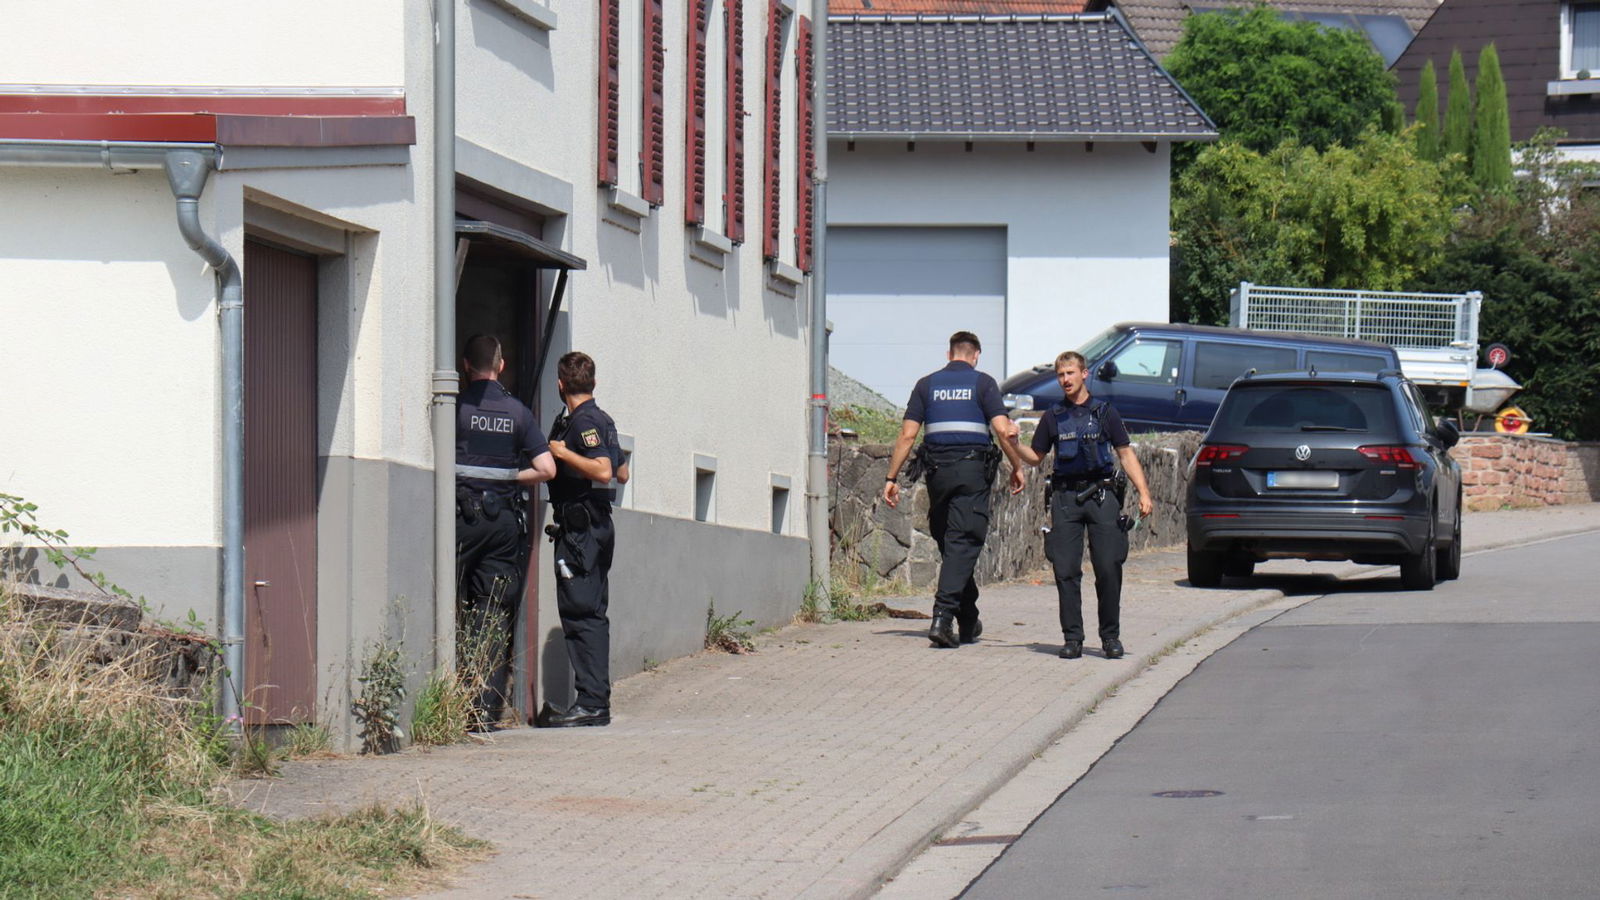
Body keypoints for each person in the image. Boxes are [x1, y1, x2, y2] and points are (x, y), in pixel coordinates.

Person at [883, 331, 1026, 648]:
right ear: (976, 355)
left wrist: (891, 478)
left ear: (950, 354)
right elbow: (1003, 430)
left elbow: (907, 437)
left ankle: (968, 618)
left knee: (952, 543)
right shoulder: (983, 383)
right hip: (972, 471)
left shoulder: (927, 384)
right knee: (963, 542)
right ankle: (943, 618)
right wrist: (1017, 466)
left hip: (937, 474)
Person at [1009, 350, 1153, 660]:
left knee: (1108, 567)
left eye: (1070, 373)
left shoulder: (1105, 413)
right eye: (1061, 375)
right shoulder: (1053, 416)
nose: (1065, 380)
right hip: (1065, 498)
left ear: (1084, 374)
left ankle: (1110, 637)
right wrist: (1012, 443)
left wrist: (1144, 492)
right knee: (1066, 570)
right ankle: (1072, 638)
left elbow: (1125, 453)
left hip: (1102, 496)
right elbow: (1036, 457)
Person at [456, 334, 557, 731]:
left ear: (464, 365)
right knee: (493, 611)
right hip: (501, 524)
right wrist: (512, 477)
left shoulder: (457, 408)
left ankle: (451, 696)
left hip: (461, 518)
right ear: (501, 366)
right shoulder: (518, 413)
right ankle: (484, 711)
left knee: (450, 600)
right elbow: (547, 469)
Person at [536, 351, 623, 727]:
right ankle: (593, 700)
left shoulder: (583, 423)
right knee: (592, 611)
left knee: (581, 612)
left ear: (560, 385)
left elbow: (605, 472)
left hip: (582, 532)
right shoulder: (604, 420)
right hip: (597, 527)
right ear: (593, 383)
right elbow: (624, 471)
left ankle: (591, 703)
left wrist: (564, 453)